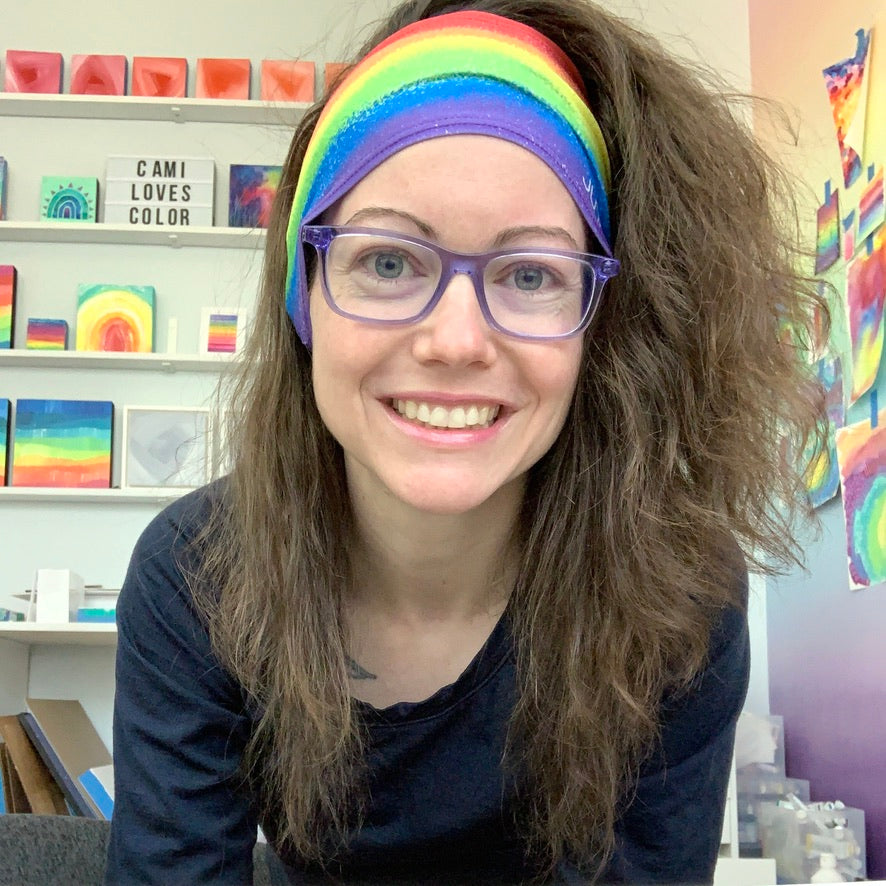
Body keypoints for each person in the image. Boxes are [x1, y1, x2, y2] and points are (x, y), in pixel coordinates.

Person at [106, 1, 825, 883]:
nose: (455, 341)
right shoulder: (198, 576)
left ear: (598, 325)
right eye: (387, 260)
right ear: (304, 292)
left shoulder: (677, 593)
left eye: (531, 274)